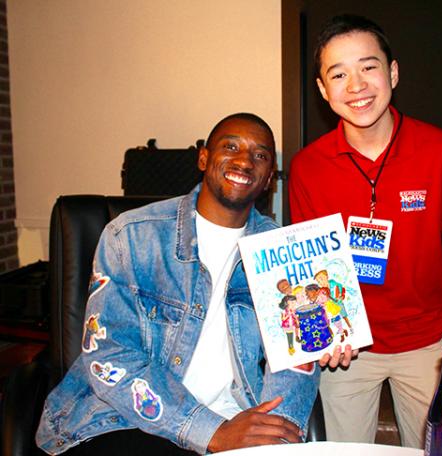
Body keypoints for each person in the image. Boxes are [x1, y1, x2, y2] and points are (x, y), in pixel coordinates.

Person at [36, 113, 320, 455]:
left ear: (269, 177)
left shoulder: (285, 249)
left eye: (260, 155)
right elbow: (112, 354)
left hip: (234, 416)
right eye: (231, 146)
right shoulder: (131, 236)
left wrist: (274, 434)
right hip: (124, 419)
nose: (245, 161)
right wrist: (209, 430)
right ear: (203, 157)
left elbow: (296, 359)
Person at [288, 14, 442, 448]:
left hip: (427, 345)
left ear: (393, 72)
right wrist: (319, 339)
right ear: (323, 90)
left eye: (368, 67)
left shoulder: (441, 151)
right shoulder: (307, 167)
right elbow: (307, 266)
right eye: (339, 74)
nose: (356, 85)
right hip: (347, 354)